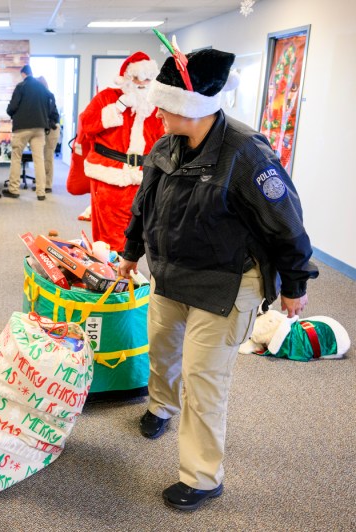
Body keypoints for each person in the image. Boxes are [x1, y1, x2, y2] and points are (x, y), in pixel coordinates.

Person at [118, 47, 318, 511]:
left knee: (203, 378)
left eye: (166, 104)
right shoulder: (165, 144)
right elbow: (144, 204)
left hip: (225, 283)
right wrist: (131, 253)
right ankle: (161, 407)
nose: (158, 111)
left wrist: (295, 284)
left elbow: (287, 223)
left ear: (191, 108)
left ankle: (203, 477)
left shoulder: (247, 155)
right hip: (170, 274)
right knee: (163, 347)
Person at [67, 52, 163, 251]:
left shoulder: (156, 104)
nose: (143, 82)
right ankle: (113, 277)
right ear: (126, 77)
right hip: (109, 175)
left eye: (148, 77)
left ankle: (127, 275)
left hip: (145, 176)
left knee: (143, 235)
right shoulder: (107, 98)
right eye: (137, 76)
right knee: (111, 238)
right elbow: (86, 126)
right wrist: (117, 107)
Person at [4, 65, 56, 201]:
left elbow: (12, 107)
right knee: (39, 160)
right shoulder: (43, 89)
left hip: (22, 128)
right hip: (39, 128)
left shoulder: (21, 86)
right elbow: (49, 107)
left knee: (16, 157)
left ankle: (14, 189)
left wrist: (11, 112)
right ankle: (41, 192)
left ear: (23, 74)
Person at [37, 76, 61, 194]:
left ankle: (47, 185)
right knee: (42, 157)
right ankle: (42, 183)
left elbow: (48, 114)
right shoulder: (42, 97)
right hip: (45, 129)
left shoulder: (49, 96)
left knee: (48, 157)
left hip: (52, 129)